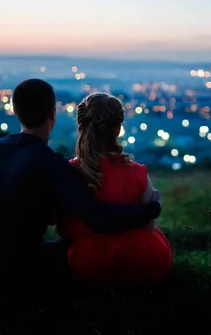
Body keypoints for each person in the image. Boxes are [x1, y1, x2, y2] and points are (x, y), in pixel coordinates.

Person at [0, 79, 162, 295]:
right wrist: (150, 210)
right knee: (75, 251)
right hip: (11, 273)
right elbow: (98, 219)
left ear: (15, 111)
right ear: (53, 114)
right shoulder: (51, 163)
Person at [56, 93, 174, 290]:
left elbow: (63, 229)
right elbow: (149, 228)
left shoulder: (72, 172)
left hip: (89, 261)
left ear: (81, 125)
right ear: (118, 129)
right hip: (145, 260)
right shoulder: (138, 172)